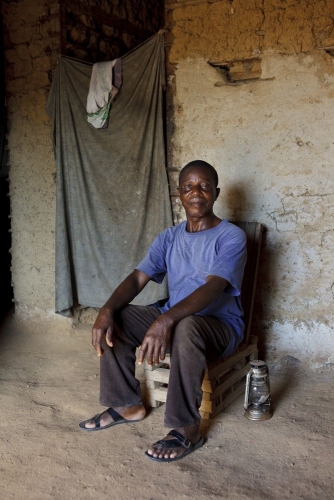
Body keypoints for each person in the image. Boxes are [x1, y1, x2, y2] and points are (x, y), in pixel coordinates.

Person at [79, 160, 247, 463]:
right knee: (119, 317)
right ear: (179, 194)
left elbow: (214, 288)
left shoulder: (231, 237)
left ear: (216, 192)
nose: (196, 193)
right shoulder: (169, 237)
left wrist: (165, 319)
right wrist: (106, 309)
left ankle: (186, 428)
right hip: (175, 321)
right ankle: (126, 404)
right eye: (188, 187)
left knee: (187, 326)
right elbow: (137, 278)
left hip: (219, 326)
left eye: (204, 186)